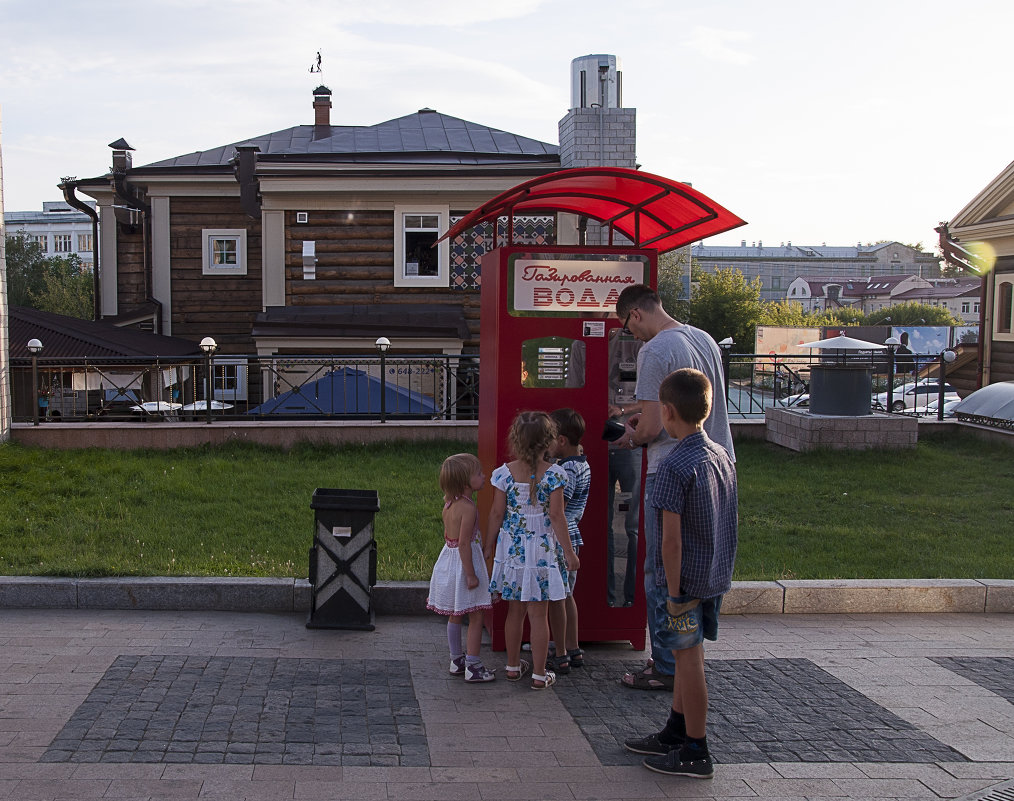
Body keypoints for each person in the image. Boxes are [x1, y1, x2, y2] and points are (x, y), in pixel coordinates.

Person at [613, 284, 735, 691]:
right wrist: (631, 409)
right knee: (701, 562)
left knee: (662, 570)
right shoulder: (702, 338)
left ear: (635, 315)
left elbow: (651, 428)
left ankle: (666, 663)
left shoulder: (654, 350)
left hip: (670, 468)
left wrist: (625, 435)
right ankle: (689, 655)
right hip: (716, 463)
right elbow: (687, 400)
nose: (632, 338)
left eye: (628, 329)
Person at [624, 368, 738, 778]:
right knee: (691, 656)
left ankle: (696, 748)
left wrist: (672, 593)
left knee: (688, 662)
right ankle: (675, 729)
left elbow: (669, 542)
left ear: (667, 412)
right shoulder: (721, 455)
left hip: (683, 583)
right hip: (712, 576)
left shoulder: (673, 466)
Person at [486, 411, 580, 690]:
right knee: (539, 614)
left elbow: (495, 513)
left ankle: (513, 667)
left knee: (514, 612)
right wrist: (570, 552)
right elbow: (556, 516)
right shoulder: (555, 475)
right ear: (550, 441)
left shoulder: (503, 474)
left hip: (513, 552)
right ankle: (540, 674)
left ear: (515, 440)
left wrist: (489, 545)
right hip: (543, 551)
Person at [426, 453, 496, 683]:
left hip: (449, 561)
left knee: (456, 615)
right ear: (466, 482)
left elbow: (453, 540)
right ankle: (473, 666)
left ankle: (456, 659)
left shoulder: (449, 504)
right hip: (465, 564)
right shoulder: (468, 508)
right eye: (479, 473)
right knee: (476, 616)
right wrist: (471, 574)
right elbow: (464, 543)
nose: (484, 476)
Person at [546, 408, 591, 673]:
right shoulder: (581, 462)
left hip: (562, 538)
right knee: (567, 595)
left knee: (556, 598)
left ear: (561, 440)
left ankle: (560, 652)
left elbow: (557, 511)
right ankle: (573, 648)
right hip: (572, 535)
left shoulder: (567, 471)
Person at [606, 327, 644, 607]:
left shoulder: (642, 344)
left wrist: (621, 410)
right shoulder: (583, 343)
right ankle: (604, 597)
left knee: (634, 525)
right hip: (594, 441)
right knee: (598, 524)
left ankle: (630, 601)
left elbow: (656, 398)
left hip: (631, 440)